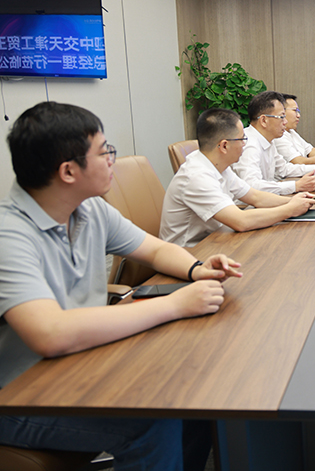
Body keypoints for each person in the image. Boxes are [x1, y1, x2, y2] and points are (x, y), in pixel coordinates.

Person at [0, 101, 243, 470]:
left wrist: (197, 269)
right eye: (104, 152)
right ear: (68, 171)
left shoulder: (88, 209)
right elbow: (49, 334)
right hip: (18, 394)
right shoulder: (10, 234)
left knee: (195, 389)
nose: (111, 159)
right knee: (151, 421)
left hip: (80, 361)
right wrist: (175, 305)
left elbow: (156, 250)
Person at [160, 107, 315, 247]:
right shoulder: (196, 176)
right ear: (224, 145)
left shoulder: (218, 164)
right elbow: (241, 221)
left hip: (216, 240)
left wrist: (295, 201)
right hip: (192, 252)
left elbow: (255, 196)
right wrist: (290, 209)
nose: (245, 144)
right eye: (242, 139)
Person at [232, 92, 315, 195]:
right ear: (264, 120)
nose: (285, 122)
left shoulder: (267, 140)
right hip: (245, 206)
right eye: (281, 117)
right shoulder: (248, 144)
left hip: (265, 200)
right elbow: (252, 186)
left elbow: (283, 169)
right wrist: (296, 186)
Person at [274, 93, 315, 168]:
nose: (298, 115)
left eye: (298, 111)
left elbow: (310, 150)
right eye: (295, 110)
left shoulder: (291, 131)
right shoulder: (278, 136)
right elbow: (297, 162)